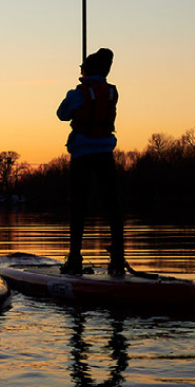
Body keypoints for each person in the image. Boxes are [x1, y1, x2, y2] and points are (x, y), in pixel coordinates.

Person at [56, 48, 124, 276]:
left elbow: (62, 114)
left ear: (87, 70)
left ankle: (74, 257)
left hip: (83, 154)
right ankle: (118, 257)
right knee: (112, 204)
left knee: (78, 205)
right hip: (105, 152)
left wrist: (80, 86)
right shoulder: (113, 92)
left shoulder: (78, 93)